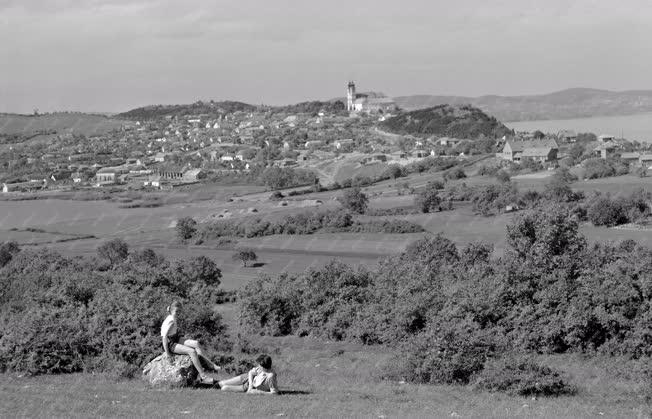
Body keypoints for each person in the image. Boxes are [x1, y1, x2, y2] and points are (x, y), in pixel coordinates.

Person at [161, 301, 221, 385]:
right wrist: (168, 354)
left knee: (196, 343)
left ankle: (209, 364)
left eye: (179, 311)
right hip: (170, 344)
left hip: (175, 338)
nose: (178, 313)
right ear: (171, 311)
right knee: (192, 351)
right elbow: (164, 338)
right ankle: (203, 377)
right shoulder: (170, 321)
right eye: (176, 311)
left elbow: (173, 334)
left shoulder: (172, 317)